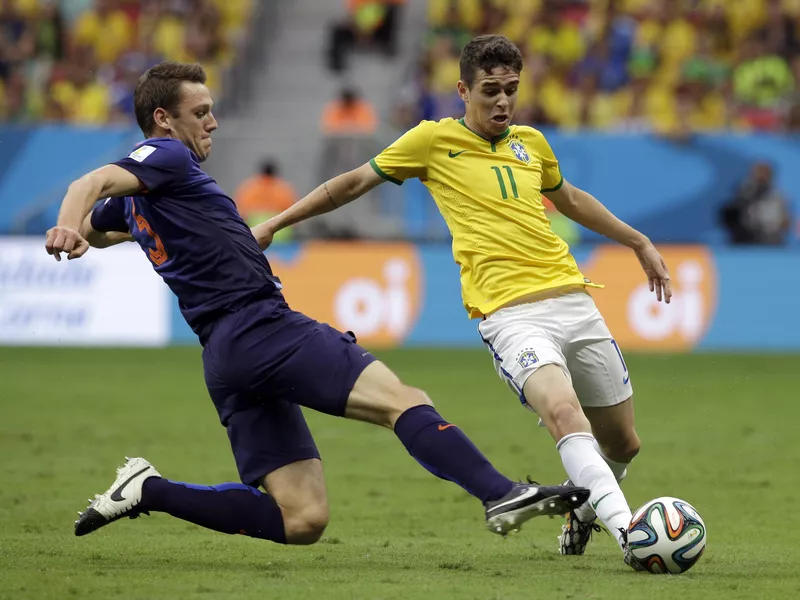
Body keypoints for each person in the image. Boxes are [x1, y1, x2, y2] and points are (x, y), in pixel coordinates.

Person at [44, 61, 588, 546]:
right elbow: (89, 183)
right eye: (202, 111)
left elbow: (101, 223)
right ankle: (499, 493)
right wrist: (67, 225)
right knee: (401, 399)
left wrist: (90, 232)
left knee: (301, 519)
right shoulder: (165, 156)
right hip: (260, 326)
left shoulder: (142, 199)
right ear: (163, 119)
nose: (212, 122)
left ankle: (150, 490)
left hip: (226, 356)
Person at [252, 35, 673, 569]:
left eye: (511, 90)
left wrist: (637, 241)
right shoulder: (432, 141)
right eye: (491, 91)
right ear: (463, 89)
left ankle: (584, 511)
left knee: (624, 443)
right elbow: (352, 183)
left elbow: (570, 199)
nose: (502, 102)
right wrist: (275, 223)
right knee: (565, 414)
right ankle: (630, 533)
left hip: (573, 299)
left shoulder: (532, 143)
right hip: (509, 314)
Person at [720, 161, 791, 246]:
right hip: (745, 236)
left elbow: (785, 221)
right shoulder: (742, 191)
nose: (761, 176)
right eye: (758, 172)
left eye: (764, 173)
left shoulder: (778, 196)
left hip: (770, 238)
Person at [234, 159, 296, 242]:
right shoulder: (284, 189)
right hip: (281, 235)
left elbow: (239, 213)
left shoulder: (249, 188)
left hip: (254, 234)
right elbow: (294, 216)